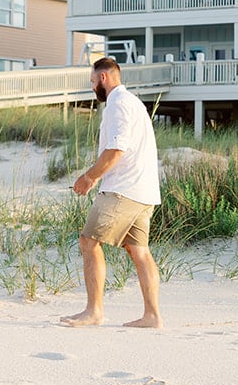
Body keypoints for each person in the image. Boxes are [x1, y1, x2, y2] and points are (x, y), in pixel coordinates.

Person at [62, 57, 163, 328]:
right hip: (144, 191)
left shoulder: (118, 104)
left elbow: (117, 149)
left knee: (89, 241)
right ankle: (152, 316)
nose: (92, 87)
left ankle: (94, 311)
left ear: (103, 79)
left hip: (123, 190)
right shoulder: (135, 103)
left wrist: (89, 177)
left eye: (93, 82)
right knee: (139, 251)